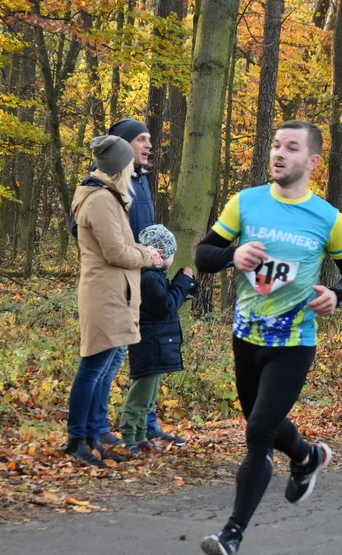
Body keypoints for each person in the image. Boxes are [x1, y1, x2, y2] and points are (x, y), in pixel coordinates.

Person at [193, 120, 342, 555]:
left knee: (257, 433)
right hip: (245, 337)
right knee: (261, 423)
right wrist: (232, 255)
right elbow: (202, 256)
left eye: (291, 148)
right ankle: (307, 456)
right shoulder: (245, 203)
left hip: (294, 341)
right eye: (275, 145)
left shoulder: (329, 218)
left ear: (311, 161)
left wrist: (337, 294)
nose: (279, 153)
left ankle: (231, 536)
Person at [88, 118, 188, 454]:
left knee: (151, 353)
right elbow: (85, 230)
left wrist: (159, 262)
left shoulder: (141, 180)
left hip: (147, 276)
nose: (149, 145)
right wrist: (129, 257)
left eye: (149, 138)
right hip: (121, 281)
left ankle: (148, 426)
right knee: (112, 358)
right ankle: (98, 429)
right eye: (141, 139)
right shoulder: (103, 183)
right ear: (121, 144)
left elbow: (148, 230)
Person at [64, 135, 163, 466]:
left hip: (114, 292)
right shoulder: (102, 200)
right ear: (120, 166)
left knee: (102, 366)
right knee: (92, 368)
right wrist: (147, 255)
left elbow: (121, 246)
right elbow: (116, 251)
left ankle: (91, 437)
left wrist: (140, 253)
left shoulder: (107, 196)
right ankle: (77, 439)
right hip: (105, 294)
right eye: (129, 163)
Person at [117, 225, 198, 456]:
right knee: (141, 394)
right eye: (172, 254)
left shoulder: (153, 277)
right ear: (161, 255)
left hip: (155, 343)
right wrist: (181, 284)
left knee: (149, 395)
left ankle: (140, 434)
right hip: (149, 344)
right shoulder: (150, 278)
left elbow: (166, 304)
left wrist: (182, 289)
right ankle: (129, 436)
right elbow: (165, 307)